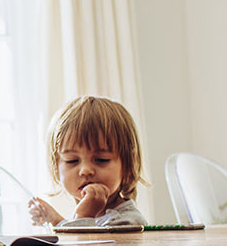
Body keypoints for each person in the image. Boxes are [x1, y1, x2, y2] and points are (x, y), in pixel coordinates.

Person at [27, 95, 149, 228]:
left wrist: (84, 215)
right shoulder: (89, 215)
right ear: (56, 167)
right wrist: (56, 220)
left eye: (101, 159)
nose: (85, 170)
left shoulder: (128, 222)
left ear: (127, 166)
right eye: (72, 161)